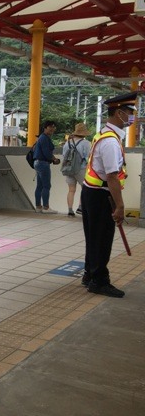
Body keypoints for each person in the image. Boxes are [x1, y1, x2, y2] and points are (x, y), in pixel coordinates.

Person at [80, 91, 137, 298]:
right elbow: (112, 176)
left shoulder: (103, 134)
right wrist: (120, 206)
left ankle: (89, 274)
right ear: (119, 113)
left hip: (92, 193)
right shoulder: (111, 141)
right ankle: (99, 281)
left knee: (93, 237)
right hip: (100, 195)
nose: (132, 117)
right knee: (102, 239)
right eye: (130, 112)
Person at [62, 123, 91, 216]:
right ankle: (80, 207)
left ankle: (70, 210)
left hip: (68, 168)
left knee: (71, 190)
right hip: (81, 168)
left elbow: (64, 155)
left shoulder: (68, 143)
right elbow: (88, 157)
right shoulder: (86, 143)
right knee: (85, 188)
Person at [33, 120, 61, 213]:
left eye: (54, 127)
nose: (53, 128)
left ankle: (38, 206)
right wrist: (54, 159)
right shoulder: (45, 138)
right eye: (51, 126)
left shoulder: (41, 137)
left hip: (37, 163)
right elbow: (47, 153)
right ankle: (46, 207)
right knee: (46, 186)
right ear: (45, 127)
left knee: (39, 186)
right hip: (43, 164)